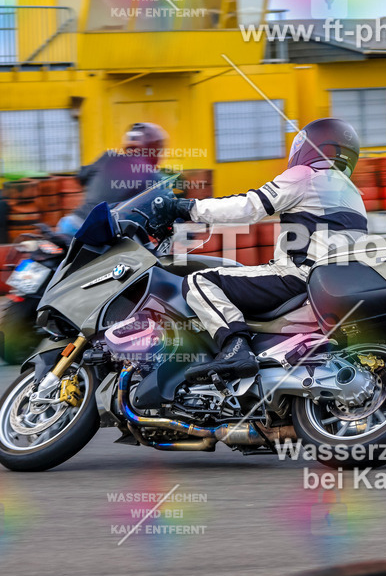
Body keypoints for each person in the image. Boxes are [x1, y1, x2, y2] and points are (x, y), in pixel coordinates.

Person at [156, 118, 366, 382]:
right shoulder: (354, 195)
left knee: (198, 281)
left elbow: (249, 206)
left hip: (298, 277)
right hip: (332, 284)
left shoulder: (305, 176)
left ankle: (235, 348)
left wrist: (188, 208)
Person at [57, 123, 167, 234]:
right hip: (98, 234)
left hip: (71, 223)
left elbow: (82, 175)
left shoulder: (107, 157)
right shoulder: (151, 175)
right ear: (154, 148)